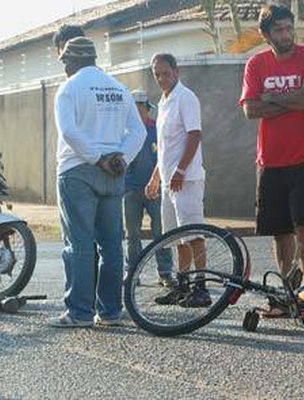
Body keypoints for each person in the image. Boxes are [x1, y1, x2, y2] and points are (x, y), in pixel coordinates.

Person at [238, 4, 304, 318]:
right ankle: (288, 298)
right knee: (280, 231)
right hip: (271, 160)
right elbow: (250, 109)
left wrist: (270, 99)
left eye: (289, 28)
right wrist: (293, 99)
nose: (286, 34)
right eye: (278, 30)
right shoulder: (256, 64)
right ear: (266, 35)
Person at [50, 37, 146, 328]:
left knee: (79, 244)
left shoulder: (68, 89)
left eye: (65, 61)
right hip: (113, 175)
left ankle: (79, 312)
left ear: (72, 61)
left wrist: (97, 158)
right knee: (112, 245)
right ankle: (110, 311)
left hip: (78, 170)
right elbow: (138, 132)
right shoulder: (118, 88)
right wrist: (120, 159)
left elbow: (69, 132)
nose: (64, 66)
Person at [145, 53, 209, 308]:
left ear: (176, 71)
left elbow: (194, 135)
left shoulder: (186, 97)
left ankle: (201, 287)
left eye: (165, 73)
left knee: (193, 233)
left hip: (187, 179)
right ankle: (182, 285)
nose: (161, 79)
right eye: (157, 74)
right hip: (168, 181)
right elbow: (164, 148)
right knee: (176, 236)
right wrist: (155, 178)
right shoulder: (163, 102)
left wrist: (181, 171)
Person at [123, 89, 172, 287]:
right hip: (130, 189)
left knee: (161, 231)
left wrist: (157, 181)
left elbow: (163, 156)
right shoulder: (125, 132)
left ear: (147, 109)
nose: (138, 112)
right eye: (134, 109)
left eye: (141, 108)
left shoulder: (156, 129)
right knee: (132, 233)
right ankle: (133, 272)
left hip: (155, 189)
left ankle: (165, 272)